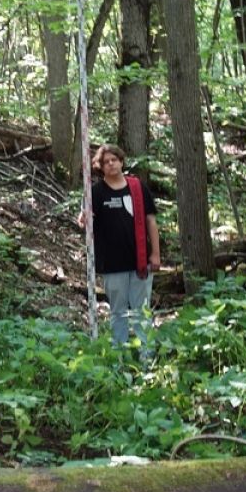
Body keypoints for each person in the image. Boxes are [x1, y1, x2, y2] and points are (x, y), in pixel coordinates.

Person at [79, 144, 160, 347]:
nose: (111, 164)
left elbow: (151, 221)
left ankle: (146, 357)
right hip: (112, 263)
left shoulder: (137, 187)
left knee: (142, 310)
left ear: (121, 161)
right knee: (118, 312)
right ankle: (120, 358)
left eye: (114, 159)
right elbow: (84, 222)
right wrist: (83, 218)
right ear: (101, 167)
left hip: (140, 260)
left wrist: (156, 254)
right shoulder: (95, 192)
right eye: (106, 162)